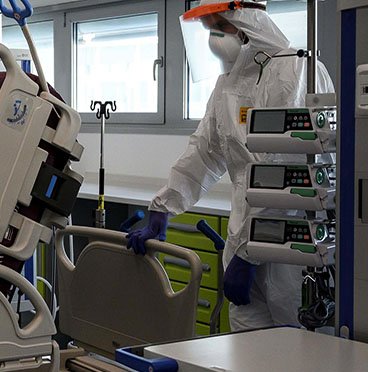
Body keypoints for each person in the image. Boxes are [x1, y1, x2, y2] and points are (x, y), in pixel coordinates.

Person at [125, 0, 334, 330]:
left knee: (299, 345)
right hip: (242, 238)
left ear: (248, 24)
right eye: (209, 30)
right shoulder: (227, 85)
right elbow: (204, 153)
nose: (213, 39)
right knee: (246, 345)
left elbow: (290, 176)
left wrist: (251, 251)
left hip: (291, 244)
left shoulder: (295, 71)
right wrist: (163, 206)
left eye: (221, 27)